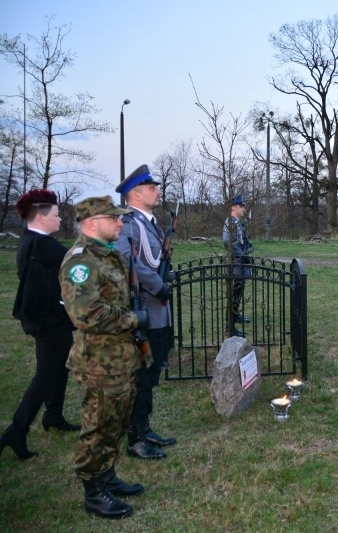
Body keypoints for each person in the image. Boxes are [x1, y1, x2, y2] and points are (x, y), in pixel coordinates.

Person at [59, 195, 152, 520]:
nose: (119, 223)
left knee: (116, 422)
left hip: (121, 359)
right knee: (98, 425)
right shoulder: (80, 262)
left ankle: (107, 474)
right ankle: (93, 490)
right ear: (92, 223)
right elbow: (86, 314)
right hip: (99, 362)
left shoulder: (108, 256)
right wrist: (133, 320)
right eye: (113, 218)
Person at [1, 189, 79, 461]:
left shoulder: (29, 241)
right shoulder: (42, 244)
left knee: (59, 369)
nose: (60, 219)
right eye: (57, 215)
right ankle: (16, 431)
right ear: (42, 217)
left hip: (50, 318)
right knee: (46, 375)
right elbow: (77, 262)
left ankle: (53, 416)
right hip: (49, 321)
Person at [115, 165, 177, 460]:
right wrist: (158, 285)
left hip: (158, 313)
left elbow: (155, 260)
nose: (158, 191)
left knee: (152, 374)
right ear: (136, 194)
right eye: (152, 188)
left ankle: (145, 429)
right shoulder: (128, 224)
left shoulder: (151, 223)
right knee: (142, 376)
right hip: (145, 310)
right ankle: (135, 438)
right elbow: (127, 262)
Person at [222, 194, 253, 337]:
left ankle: (236, 315)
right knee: (234, 294)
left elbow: (244, 241)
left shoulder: (239, 222)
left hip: (241, 264)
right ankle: (230, 324)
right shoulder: (230, 223)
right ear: (234, 207)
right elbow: (228, 243)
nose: (244, 209)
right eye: (242, 206)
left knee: (239, 293)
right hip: (235, 264)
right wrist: (243, 256)